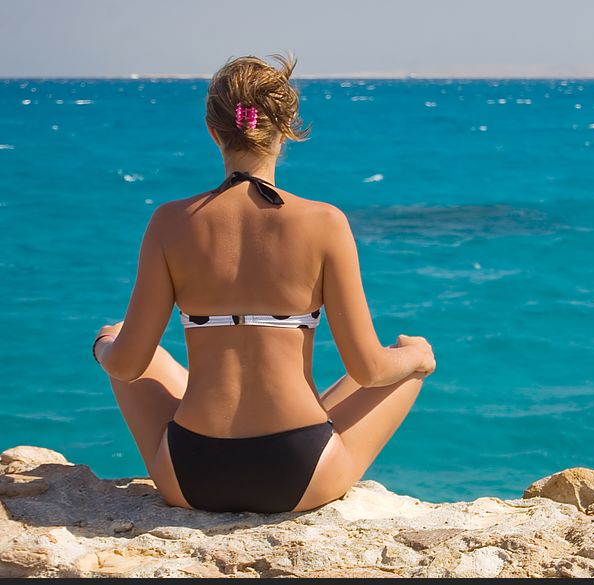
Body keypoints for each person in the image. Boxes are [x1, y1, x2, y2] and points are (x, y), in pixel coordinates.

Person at [91, 53, 435, 514]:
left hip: (192, 474)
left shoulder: (169, 222)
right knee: (404, 366)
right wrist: (416, 354)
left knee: (118, 336)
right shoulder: (324, 222)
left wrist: (102, 346)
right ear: (286, 131)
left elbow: (129, 366)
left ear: (214, 131)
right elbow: (369, 370)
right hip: (297, 471)